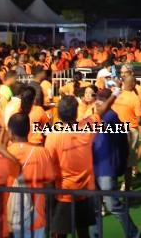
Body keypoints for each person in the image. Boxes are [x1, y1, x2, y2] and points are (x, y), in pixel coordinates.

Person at [91, 89, 141, 238]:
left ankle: (134, 234)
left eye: (102, 98)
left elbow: (122, 144)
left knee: (113, 205)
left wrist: (121, 163)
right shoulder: (92, 116)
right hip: (94, 167)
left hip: (106, 168)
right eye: (97, 98)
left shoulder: (111, 117)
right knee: (96, 207)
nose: (98, 101)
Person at [44, 95, 96, 237]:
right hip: (84, 191)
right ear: (76, 112)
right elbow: (100, 113)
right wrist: (114, 95)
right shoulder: (88, 127)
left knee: (59, 232)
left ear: (59, 113)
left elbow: (48, 166)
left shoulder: (54, 136)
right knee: (83, 231)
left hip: (63, 193)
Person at [5, 112, 58, 238]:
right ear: (29, 130)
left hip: (10, 219)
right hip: (36, 219)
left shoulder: (4, 154)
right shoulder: (42, 153)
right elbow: (50, 187)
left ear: (10, 132)